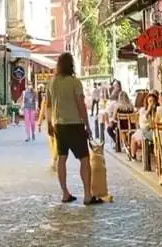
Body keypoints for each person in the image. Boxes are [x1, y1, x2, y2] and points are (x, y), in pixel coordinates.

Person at [46, 52, 102, 206]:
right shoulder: (75, 82)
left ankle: (65, 193)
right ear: (71, 65)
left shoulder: (52, 83)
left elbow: (48, 106)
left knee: (61, 159)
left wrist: (49, 125)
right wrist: (88, 125)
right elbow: (81, 105)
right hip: (75, 124)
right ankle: (87, 195)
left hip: (58, 125)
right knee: (84, 159)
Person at [130, 92, 158, 160]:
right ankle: (133, 156)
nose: (152, 103)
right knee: (134, 137)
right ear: (147, 102)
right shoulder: (143, 110)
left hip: (154, 130)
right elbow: (143, 122)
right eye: (150, 101)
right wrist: (149, 110)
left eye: (153, 101)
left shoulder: (158, 110)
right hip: (144, 129)